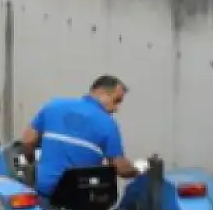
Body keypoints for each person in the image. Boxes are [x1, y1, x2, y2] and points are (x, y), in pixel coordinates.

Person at [18, 75, 147, 198]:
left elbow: (27, 141)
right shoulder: (108, 124)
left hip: (44, 193)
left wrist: (32, 164)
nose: (116, 108)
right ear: (101, 92)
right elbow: (121, 168)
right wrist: (138, 169)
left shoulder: (53, 106)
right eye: (116, 100)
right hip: (79, 200)